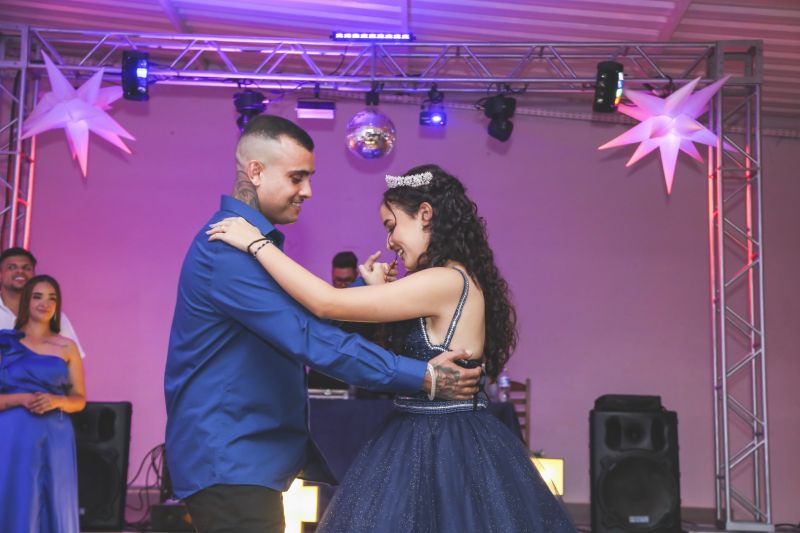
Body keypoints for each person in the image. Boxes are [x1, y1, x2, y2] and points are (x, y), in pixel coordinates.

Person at [207, 164, 577, 532]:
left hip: (444, 443)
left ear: (425, 214)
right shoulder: (450, 278)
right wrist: (375, 290)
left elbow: (325, 303)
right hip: (426, 432)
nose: (389, 243)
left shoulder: (445, 280)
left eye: (391, 226)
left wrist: (257, 244)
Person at [164, 115, 480, 533]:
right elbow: (309, 336)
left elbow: (308, 322)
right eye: (297, 177)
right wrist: (421, 376)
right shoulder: (228, 249)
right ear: (255, 171)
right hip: (228, 457)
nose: (307, 191)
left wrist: (367, 296)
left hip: (243, 457)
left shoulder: (251, 246)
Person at [0, 275, 86, 533]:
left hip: (55, 435)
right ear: (27, 300)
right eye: (38, 296)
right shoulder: (4, 343)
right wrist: (21, 399)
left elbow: (80, 399)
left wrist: (57, 400)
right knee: (17, 498)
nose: (45, 303)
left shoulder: (67, 346)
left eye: (52, 298)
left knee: (54, 498)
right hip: (13, 434)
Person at [0, 248, 87, 358]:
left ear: (34, 274)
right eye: (11, 267)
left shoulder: (54, 316)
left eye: (26, 268)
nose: (20, 271)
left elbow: (73, 361)